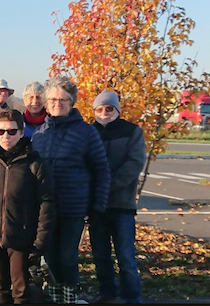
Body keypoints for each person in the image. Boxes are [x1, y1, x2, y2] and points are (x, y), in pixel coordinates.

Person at [31, 76, 111, 304]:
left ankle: (71, 299)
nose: (58, 103)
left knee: (67, 258)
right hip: (45, 209)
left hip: (73, 207)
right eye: (53, 99)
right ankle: (56, 298)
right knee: (51, 258)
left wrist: (96, 206)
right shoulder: (39, 135)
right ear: (46, 102)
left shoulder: (86, 132)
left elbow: (101, 170)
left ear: (72, 102)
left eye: (63, 99)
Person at [0, 109, 56, 304]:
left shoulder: (34, 162)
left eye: (12, 131)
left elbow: (46, 203)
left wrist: (40, 241)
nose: (6, 136)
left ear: (22, 132)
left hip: (21, 238)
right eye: (1, 131)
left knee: (21, 290)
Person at [90, 90, 145, 304]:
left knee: (125, 255)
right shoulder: (89, 132)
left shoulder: (132, 132)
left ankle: (131, 296)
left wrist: (107, 186)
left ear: (118, 110)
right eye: (100, 109)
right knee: (101, 256)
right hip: (97, 207)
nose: (105, 112)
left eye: (110, 108)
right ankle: (108, 295)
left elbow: (134, 164)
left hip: (122, 204)